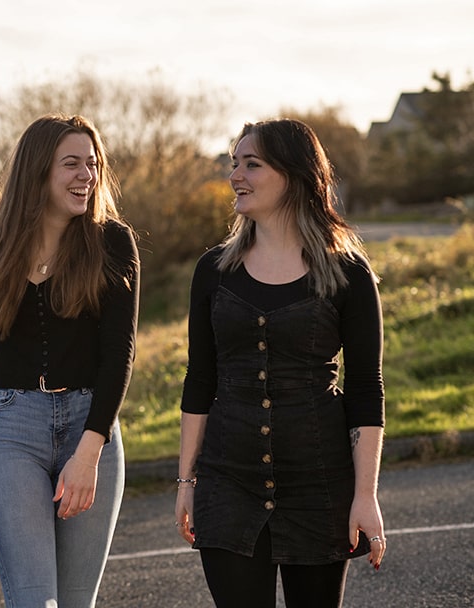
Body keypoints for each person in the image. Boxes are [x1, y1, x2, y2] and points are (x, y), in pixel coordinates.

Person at [174, 118, 387, 608]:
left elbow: (365, 390)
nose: (236, 176)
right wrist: (188, 484)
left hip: (320, 483)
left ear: (293, 175)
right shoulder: (213, 271)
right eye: (234, 163)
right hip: (227, 482)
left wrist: (365, 495)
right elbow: (200, 380)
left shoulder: (349, 274)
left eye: (252, 164)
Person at [0, 113, 139, 608]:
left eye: (93, 164)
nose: (87, 176)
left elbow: (120, 353)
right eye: (72, 164)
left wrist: (89, 452)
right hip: (11, 432)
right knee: (35, 602)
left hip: (90, 425)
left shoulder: (112, 243)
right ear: (37, 171)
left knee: (76, 604)